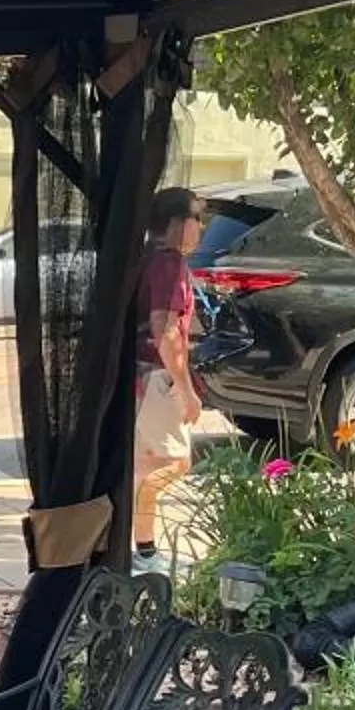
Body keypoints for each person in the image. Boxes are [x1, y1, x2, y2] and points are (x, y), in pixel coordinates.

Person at [133, 186, 206, 569]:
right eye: (197, 217)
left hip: (136, 376)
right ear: (179, 223)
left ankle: (143, 551)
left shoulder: (144, 258)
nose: (201, 227)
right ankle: (141, 551)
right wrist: (186, 389)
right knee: (174, 462)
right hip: (157, 378)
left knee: (145, 464)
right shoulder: (169, 265)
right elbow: (166, 327)